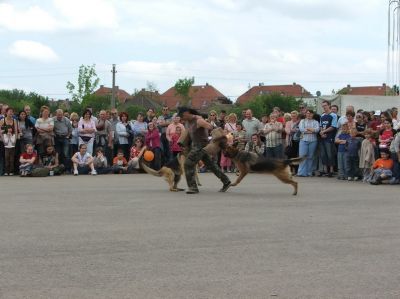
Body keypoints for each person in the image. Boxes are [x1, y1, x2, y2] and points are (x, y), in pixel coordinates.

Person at [178, 106, 231, 194]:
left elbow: (211, 127)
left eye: (182, 115)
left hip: (201, 146)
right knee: (211, 165)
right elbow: (189, 134)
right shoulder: (187, 122)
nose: (182, 118)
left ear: (187, 113)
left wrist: (219, 137)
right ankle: (226, 181)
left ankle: (193, 188)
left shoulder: (198, 120)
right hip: (194, 145)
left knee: (188, 164)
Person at [297, 109, 320, 177]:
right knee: (302, 156)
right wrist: (312, 130)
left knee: (310, 157)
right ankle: (301, 172)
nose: (309, 115)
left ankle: (309, 172)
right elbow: (301, 129)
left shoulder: (315, 122)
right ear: (305, 114)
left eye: (310, 113)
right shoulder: (302, 121)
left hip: (313, 141)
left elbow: (317, 130)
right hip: (303, 140)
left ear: (313, 114)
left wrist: (308, 129)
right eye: (307, 113)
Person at [319, 100, 338, 177]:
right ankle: (326, 170)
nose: (324, 107)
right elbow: (321, 126)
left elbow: (333, 126)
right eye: (323, 106)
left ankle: (331, 170)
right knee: (323, 154)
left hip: (329, 137)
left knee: (330, 154)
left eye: (325, 105)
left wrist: (324, 132)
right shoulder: (322, 115)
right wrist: (321, 132)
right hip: (323, 137)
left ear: (329, 105)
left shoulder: (333, 115)